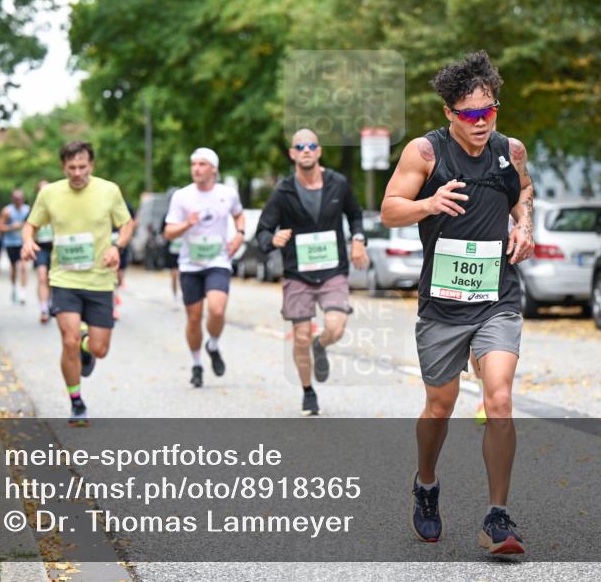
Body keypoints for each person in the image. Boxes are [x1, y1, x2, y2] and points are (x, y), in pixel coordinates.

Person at [379, 51, 534, 555]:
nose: (481, 122)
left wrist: (525, 225)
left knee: (501, 400)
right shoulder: (425, 153)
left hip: (497, 297)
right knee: (440, 408)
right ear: (449, 113)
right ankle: (426, 485)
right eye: (469, 114)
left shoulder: (511, 150)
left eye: (489, 111)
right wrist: (428, 203)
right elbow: (389, 209)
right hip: (443, 306)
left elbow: (523, 191)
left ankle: (497, 516)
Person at [255, 129, 369, 416]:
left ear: (319, 151)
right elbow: (263, 230)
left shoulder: (338, 184)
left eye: (311, 145)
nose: (306, 150)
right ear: (293, 154)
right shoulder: (283, 191)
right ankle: (308, 392)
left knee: (335, 327)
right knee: (301, 335)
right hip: (298, 274)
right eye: (299, 146)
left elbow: (355, 215)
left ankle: (323, 345)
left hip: (333, 270)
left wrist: (358, 240)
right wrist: (272, 240)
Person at [22, 140, 133, 426]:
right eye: (71, 167)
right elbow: (31, 223)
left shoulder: (109, 191)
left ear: (91, 165)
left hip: (99, 279)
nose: (77, 173)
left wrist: (117, 247)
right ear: (63, 167)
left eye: (82, 166)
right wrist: (27, 241)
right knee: (68, 340)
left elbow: (127, 224)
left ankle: (87, 347)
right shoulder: (49, 193)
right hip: (64, 278)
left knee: (100, 349)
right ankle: (77, 403)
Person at [163, 148, 244, 388]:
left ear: (213, 169)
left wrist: (239, 235)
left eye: (202, 164)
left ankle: (214, 344)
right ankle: (197, 363)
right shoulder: (182, 197)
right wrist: (187, 223)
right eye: (193, 164)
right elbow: (168, 232)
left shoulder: (227, 194)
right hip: (190, 264)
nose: (196, 168)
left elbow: (239, 216)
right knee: (194, 317)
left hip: (218, 261)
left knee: (217, 311)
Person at [0, 189, 30, 304]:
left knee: (23, 266)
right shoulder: (7, 211)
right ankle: (13, 288)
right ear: (12, 199)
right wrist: (12, 227)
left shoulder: (28, 210)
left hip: (23, 242)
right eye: (16, 199)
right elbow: (1, 227)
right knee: (14, 268)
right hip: (10, 243)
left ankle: (23, 293)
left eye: (20, 199)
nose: (19, 201)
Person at [33, 181, 54, 323]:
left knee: (52, 280)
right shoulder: (34, 209)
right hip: (41, 248)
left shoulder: (60, 206)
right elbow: (28, 228)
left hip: (57, 249)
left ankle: (50, 302)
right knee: (42, 277)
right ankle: (44, 309)